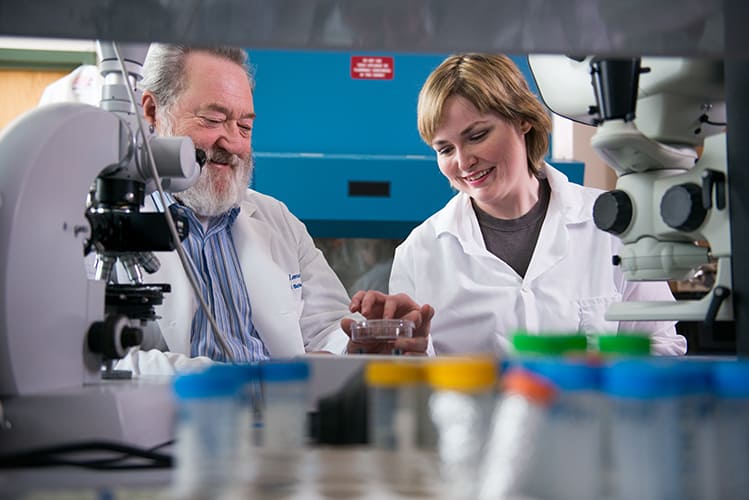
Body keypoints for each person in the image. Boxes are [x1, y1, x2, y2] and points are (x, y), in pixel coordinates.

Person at [111, 43, 432, 375]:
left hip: (283, 422)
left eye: (245, 127)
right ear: (151, 111)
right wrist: (248, 382)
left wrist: (363, 342)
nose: (233, 143)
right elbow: (90, 359)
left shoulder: (277, 220)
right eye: (213, 120)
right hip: (167, 422)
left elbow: (328, 329)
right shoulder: (102, 221)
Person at [388, 53, 687, 357]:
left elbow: (660, 344)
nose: (463, 161)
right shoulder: (419, 252)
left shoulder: (610, 223)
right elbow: (407, 371)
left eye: (477, 136)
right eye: (445, 149)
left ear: (523, 120)